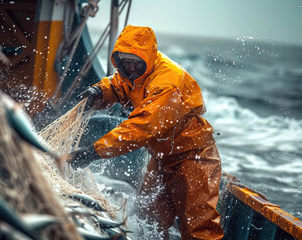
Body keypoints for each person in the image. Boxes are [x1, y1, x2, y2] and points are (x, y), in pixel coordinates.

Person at [67, 25, 224, 240]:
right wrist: (100, 91)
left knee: (199, 228)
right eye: (125, 62)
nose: (130, 68)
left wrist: (94, 152)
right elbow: (119, 84)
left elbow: (141, 128)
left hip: (193, 157)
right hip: (162, 158)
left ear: (147, 59)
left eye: (135, 63)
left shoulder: (167, 82)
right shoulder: (137, 73)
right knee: (148, 221)